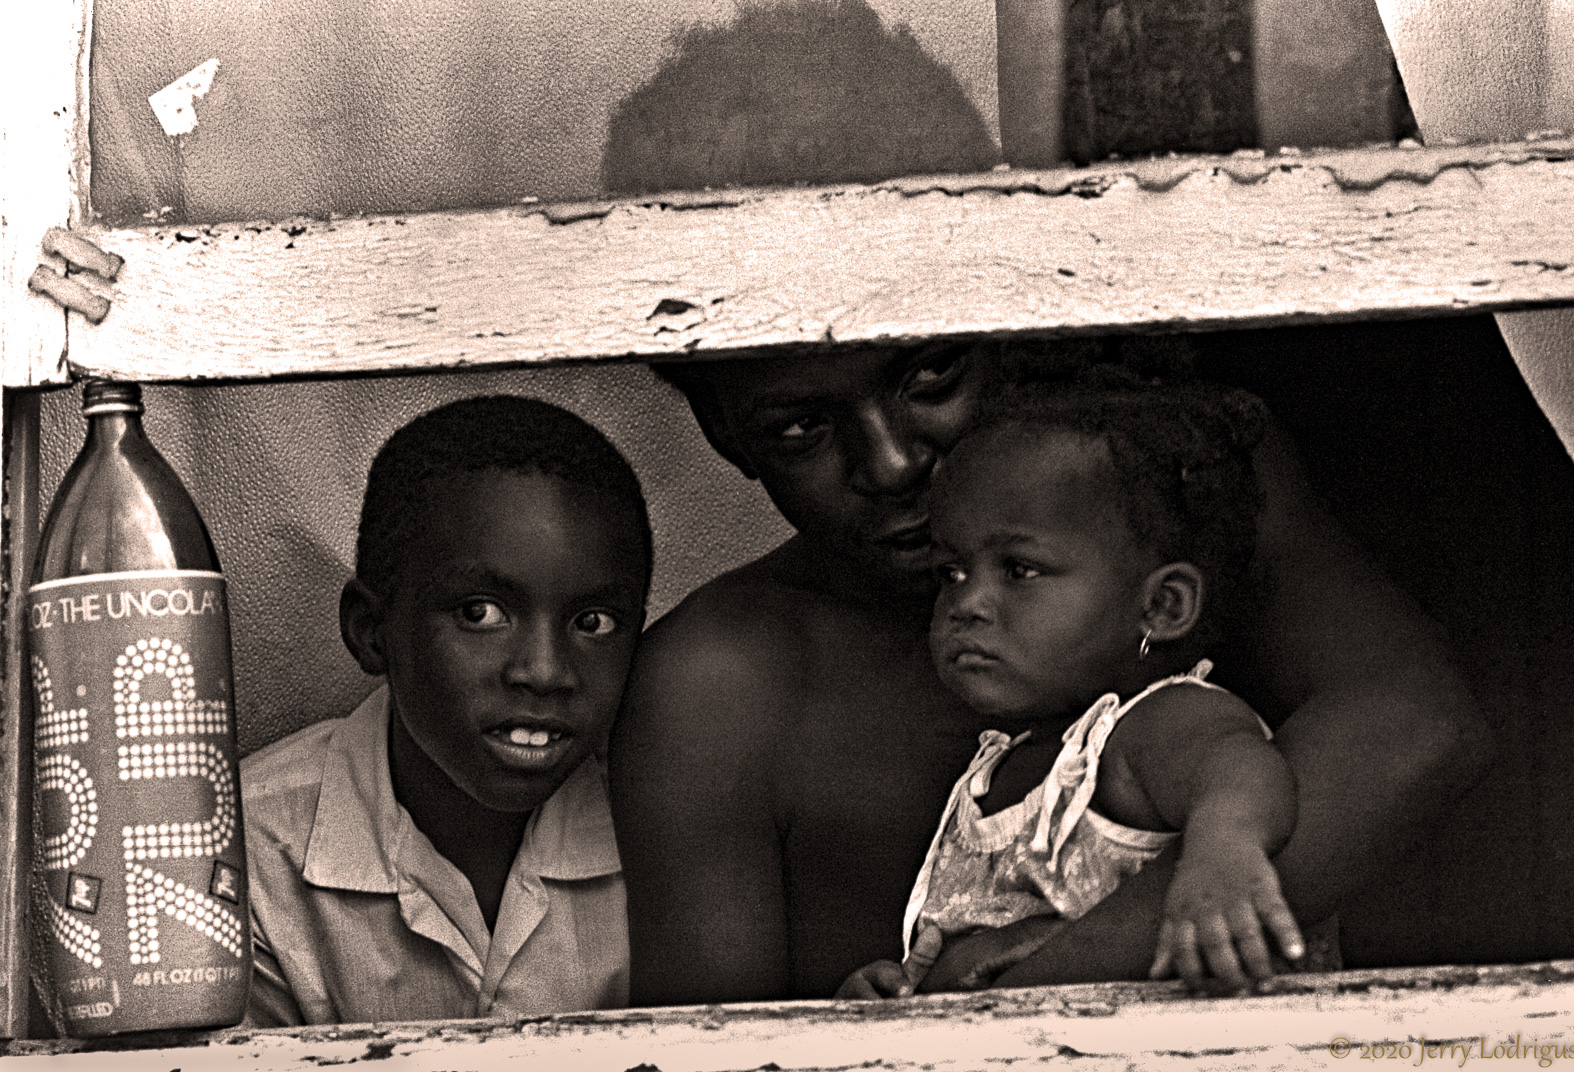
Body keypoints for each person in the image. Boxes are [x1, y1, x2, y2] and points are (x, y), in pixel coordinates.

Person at [611, 338, 1491, 1002]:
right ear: (726, 437)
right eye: (800, 427)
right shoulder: (723, 680)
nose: (892, 463)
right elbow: (706, 1043)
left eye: (929, 377)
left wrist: (1052, 981)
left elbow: (1412, 731)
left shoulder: (1162, 494)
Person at [836, 376, 1304, 999]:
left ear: (1162, 606)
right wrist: (898, 988)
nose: (966, 603)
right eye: (950, 572)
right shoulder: (1003, 767)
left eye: (1020, 570)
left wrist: (1224, 852)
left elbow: (1241, 766)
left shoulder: (1148, 726)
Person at [241, 396, 652, 1025]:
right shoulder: (247, 852)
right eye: (479, 613)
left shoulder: (664, 828)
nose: (544, 672)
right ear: (371, 631)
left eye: (593, 623)